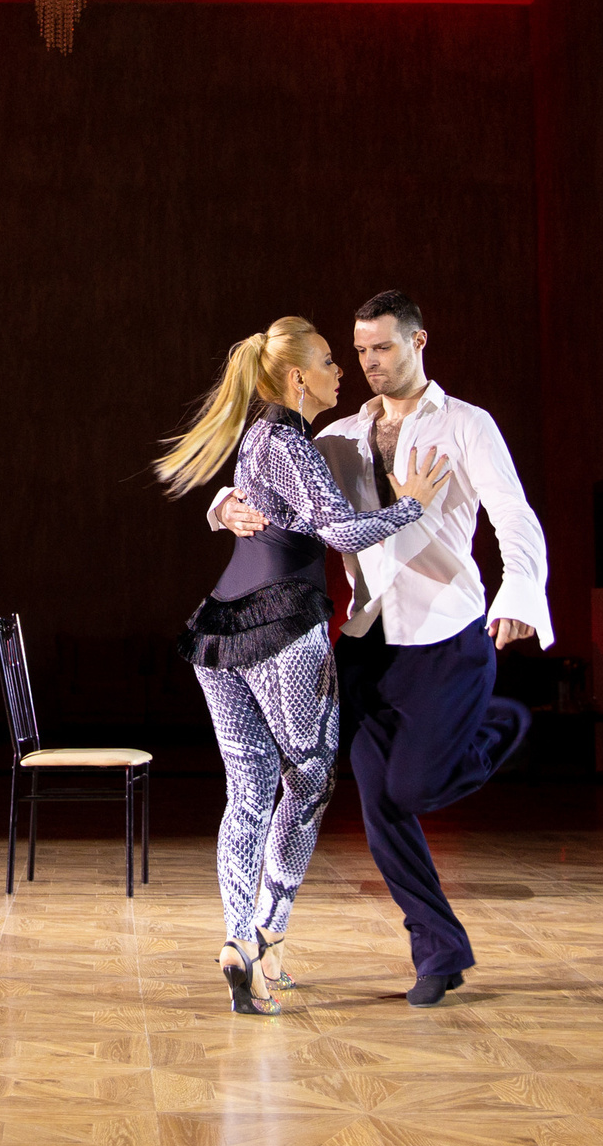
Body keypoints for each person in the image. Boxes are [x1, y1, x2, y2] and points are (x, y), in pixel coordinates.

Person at [219, 289, 549, 1007]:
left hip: (447, 640)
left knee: (411, 787)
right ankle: (439, 950)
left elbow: (514, 517)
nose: (369, 362)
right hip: (367, 648)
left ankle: (502, 724)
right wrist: (225, 506)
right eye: (359, 350)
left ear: (419, 342)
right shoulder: (336, 436)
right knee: (381, 809)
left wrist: (520, 592)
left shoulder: (467, 426)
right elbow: (266, 474)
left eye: (383, 348)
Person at [158, 316, 452, 1017]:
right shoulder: (287, 436)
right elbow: (339, 527)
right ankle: (266, 928)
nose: (341, 370)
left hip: (221, 628)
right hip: (283, 626)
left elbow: (241, 502)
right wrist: (413, 504)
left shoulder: (261, 436)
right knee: (311, 776)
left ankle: (241, 941)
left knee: (252, 786)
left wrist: (220, 505)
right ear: (297, 377)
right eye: (328, 361)